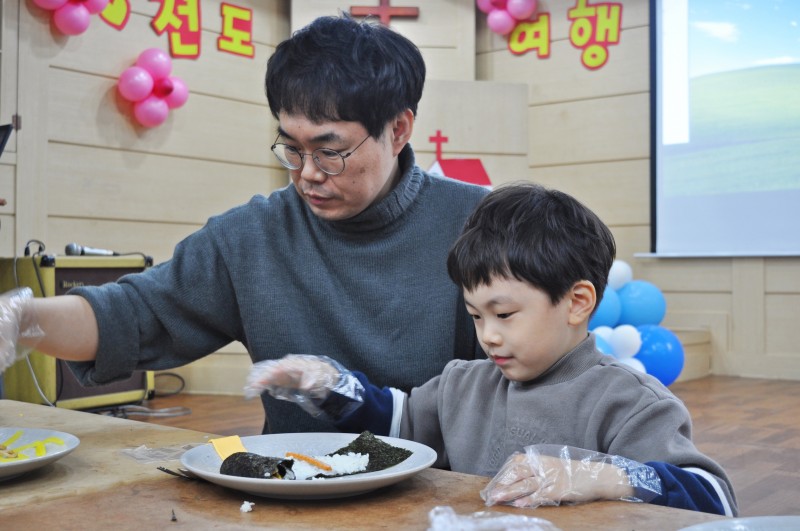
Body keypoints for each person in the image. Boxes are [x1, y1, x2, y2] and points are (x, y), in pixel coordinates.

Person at [0, 14, 488, 434]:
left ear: (398, 129)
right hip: (290, 489)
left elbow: (537, 377)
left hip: (443, 494)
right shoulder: (254, 236)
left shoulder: (478, 224)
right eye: (291, 148)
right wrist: (24, 321)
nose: (308, 174)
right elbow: (132, 315)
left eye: (331, 151)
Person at [244, 182, 738, 516]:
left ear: (577, 302)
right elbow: (399, 425)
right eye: (475, 315)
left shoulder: (627, 400)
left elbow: (717, 500)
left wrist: (606, 476)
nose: (489, 335)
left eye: (504, 315)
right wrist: (333, 386)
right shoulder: (466, 382)